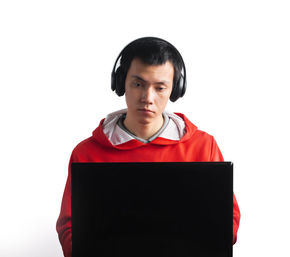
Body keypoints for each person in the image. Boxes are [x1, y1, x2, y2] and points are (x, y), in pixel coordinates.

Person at [56, 37, 241, 257]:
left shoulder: (203, 146)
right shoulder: (86, 153)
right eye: (138, 84)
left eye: (160, 88)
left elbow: (227, 220)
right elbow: (69, 226)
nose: (147, 98)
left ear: (175, 89)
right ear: (121, 82)